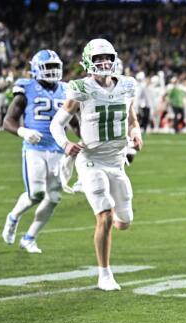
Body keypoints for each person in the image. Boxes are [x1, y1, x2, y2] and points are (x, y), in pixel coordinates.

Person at [50, 38, 143, 291]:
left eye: (108, 58)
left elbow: (132, 119)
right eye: (99, 59)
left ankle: (97, 196)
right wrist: (66, 144)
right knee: (105, 214)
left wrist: (136, 133)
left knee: (124, 222)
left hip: (117, 161)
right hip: (90, 159)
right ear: (88, 62)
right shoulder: (80, 88)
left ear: (114, 60)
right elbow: (56, 124)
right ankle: (105, 274)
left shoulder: (126, 85)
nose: (104, 63)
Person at [1, 49, 67, 253]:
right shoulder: (26, 88)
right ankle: (13, 217)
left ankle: (30, 238)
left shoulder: (66, 90)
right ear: (36, 69)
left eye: (55, 67)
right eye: (48, 67)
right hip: (34, 148)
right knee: (37, 194)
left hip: (58, 148)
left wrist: (85, 139)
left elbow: (73, 119)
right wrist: (23, 131)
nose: (53, 72)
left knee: (54, 197)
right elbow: (8, 121)